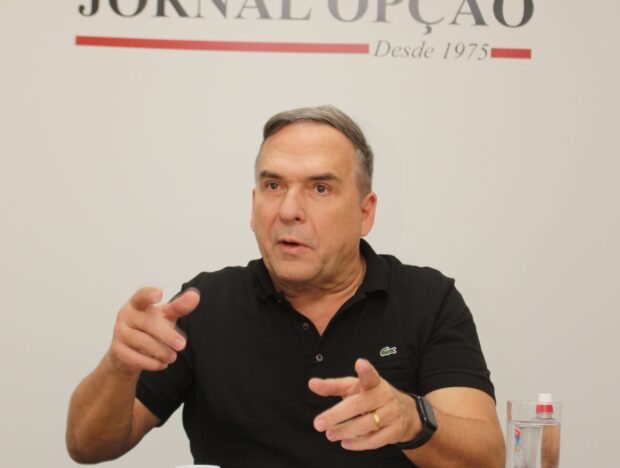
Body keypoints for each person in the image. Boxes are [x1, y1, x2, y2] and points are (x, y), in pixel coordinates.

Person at [66, 105, 505, 467]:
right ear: (253, 204)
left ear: (365, 212)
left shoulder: (427, 300)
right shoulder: (205, 304)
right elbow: (88, 445)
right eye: (274, 185)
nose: (289, 210)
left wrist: (412, 420)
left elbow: (486, 458)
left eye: (320, 188)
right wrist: (118, 366)